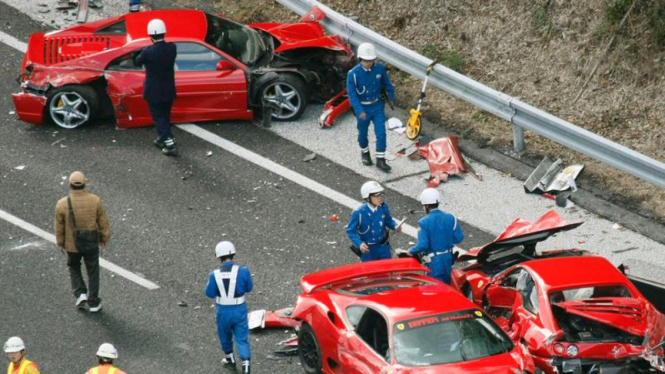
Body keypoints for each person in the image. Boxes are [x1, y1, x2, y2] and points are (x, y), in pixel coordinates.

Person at [55, 171, 111, 313]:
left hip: (72, 244)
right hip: (91, 242)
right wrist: (104, 238)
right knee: (92, 271)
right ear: (85, 184)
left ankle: (80, 293)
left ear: (70, 185)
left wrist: (60, 242)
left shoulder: (62, 204)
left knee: (74, 266)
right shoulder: (95, 200)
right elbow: (103, 222)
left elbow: (59, 226)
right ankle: (93, 302)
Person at [346, 42, 396, 172]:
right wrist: (359, 110)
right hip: (363, 109)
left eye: (371, 60)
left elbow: (387, 83)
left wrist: (391, 96)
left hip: (377, 106)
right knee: (363, 133)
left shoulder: (379, 69)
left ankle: (381, 159)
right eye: (366, 60)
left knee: (381, 133)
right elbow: (352, 95)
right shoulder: (353, 74)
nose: (369, 63)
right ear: (360, 59)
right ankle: (365, 152)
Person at [205, 241, 253, 374]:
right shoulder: (243, 271)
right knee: (242, 337)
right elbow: (249, 288)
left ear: (218, 256)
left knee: (224, 335)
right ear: (233, 253)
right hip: (239, 308)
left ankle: (230, 359)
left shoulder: (214, 274)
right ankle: (246, 365)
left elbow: (209, 293)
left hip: (223, 310)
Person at [135, 19, 179, 156]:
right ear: (164, 33)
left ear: (150, 35)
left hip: (154, 91)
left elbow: (137, 61)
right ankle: (162, 138)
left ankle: (169, 143)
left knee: (158, 117)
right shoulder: (172, 48)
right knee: (165, 115)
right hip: (169, 89)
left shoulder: (148, 52)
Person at [407, 188, 464, 284]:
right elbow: (459, 238)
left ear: (427, 205)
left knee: (433, 290)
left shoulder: (423, 222)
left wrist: (411, 250)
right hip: (448, 258)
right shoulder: (451, 217)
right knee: (446, 286)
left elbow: (423, 245)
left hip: (434, 261)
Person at [346, 181, 402, 262]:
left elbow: (388, 220)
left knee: (387, 271)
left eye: (380, 195)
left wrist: (395, 226)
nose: (380, 198)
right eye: (376, 196)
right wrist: (360, 244)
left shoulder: (383, 207)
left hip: (383, 246)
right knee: (371, 273)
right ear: (368, 197)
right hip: (368, 250)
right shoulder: (359, 212)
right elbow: (350, 231)